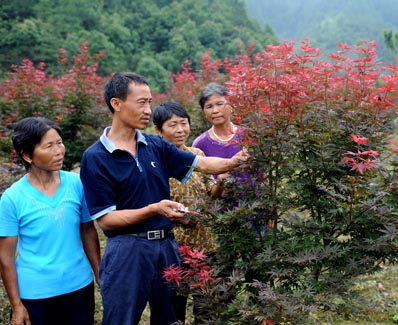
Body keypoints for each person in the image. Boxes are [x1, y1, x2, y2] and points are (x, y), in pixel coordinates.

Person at [79, 72, 247, 325]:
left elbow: (201, 162)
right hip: (128, 249)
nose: (148, 110)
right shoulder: (96, 157)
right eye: (141, 102)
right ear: (117, 104)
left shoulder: (154, 145)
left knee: (170, 319)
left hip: (167, 247)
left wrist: (233, 161)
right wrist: (154, 209)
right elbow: (107, 220)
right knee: (121, 318)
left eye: (149, 102)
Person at [0, 117, 100, 325]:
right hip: (35, 293)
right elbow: (5, 257)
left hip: (79, 285)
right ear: (28, 155)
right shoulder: (12, 199)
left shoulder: (76, 183)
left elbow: (88, 230)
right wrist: (17, 305)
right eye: (49, 146)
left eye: (59, 142)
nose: (59, 151)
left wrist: (100, 275)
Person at [152, 101, 224, 324]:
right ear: (158, 130)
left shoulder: (196, 154)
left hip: (205, 244)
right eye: (173, 125)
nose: (180, 130)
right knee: (174, 308)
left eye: (184, 123)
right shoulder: (154, 162)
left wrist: (220, 185)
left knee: (206, 305)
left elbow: (209, 193)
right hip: (175, 247)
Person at [193, 82, 265, 235]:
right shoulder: (200, 144)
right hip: (222, 217)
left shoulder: (248, 136)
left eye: (220, 104)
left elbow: (262, 176)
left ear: (230, 106)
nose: (215, 110)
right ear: (204, 111)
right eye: (209, 106)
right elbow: (203, 187)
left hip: (254, 212)